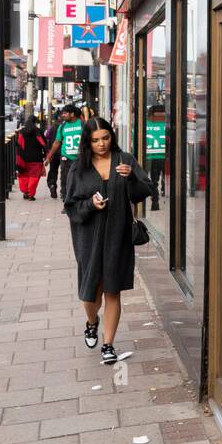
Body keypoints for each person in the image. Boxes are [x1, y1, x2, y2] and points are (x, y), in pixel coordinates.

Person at [63, 117, 152, 364]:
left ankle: (108, 344)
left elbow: (145, 191)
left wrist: (132, 177)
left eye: (105, 138)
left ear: (112, 136)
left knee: (113, 290)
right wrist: (90, 204)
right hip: (88, 238)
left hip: (118, 234)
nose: (101, 144)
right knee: (90, 294)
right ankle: (92, 322)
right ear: (87, 142)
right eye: (95, 140)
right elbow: (70, 206)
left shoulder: (126, 160)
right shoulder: (78, 168)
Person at [44, 104, 82, 200]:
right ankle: (66, 202)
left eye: (65, 113)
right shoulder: (62, 126)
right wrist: (49, 157)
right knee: (65, 180)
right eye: (62, 113)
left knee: (79, 180)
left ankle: (78, 200)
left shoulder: (83, 125)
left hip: (80, 158)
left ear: (72, 114)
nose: (63, 115)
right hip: (66, 158)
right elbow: (57, 142)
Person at [14, 114, 48, 200]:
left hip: (23, 158)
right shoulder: (38, 131)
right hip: (36, 158)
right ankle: (31, 194)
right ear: (35, 122)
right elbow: (44, 144)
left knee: (23, 175)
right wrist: (46, 155)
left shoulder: (22, 132)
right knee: (34, 176)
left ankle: (25, 192)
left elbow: (18, 145)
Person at [144, 104, 167, 210]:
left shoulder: (147, 124)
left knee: (154, 180)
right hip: (163, 155)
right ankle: (161, 191)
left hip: (152, 155)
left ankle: (155, 201)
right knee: (161, 178)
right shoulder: (166, 124)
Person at [43, 111, 61, 197]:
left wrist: (48, 152)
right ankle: (65, 190)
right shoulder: (66, 126)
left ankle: (52, 185)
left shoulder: (52, 128)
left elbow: (46, 138)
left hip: (54, 153)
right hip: (65, 153)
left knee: (53, 171)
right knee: (67, 172)